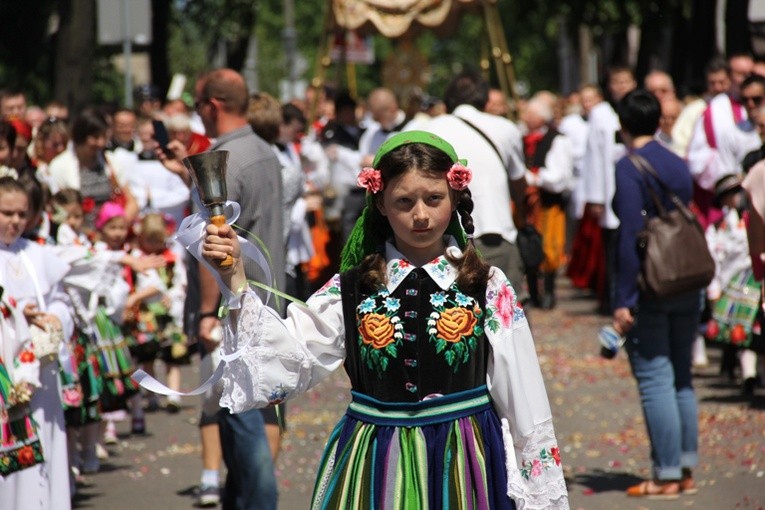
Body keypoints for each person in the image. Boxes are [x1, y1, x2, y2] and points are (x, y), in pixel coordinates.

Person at [200, 130, 569, 509]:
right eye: (404, 201)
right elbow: (289, 355)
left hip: (464, 460)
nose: (421, 214)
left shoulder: (485, 284)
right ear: (380, 204)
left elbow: (524, 398)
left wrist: (540, 493)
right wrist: (236, 280)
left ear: (456, 196)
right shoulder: (352, 287)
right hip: (376, 461)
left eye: (434, 198)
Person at [194, 68, 284, 510]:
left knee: (247, 428)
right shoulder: (264, 150)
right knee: (243, 423)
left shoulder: (223, 160)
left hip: (236, 309)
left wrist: (207, 314)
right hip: (269, 301)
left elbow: (213, 247)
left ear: (213, 105)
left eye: (198, 107)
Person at [611, 90, 699, 498]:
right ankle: (684, 468)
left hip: (651, 282)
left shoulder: (629, 167)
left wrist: (623, 299)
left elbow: (631, 234)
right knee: (682, 376)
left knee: (654, 378)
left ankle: (665, 476)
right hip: (687, 274)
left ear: (624, 123)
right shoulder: (678, 162)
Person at [421, 70, 530, 302]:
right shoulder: (505, 128)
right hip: (496, 234)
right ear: (484, 99)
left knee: (448, 322)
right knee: (504, 317)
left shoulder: (425, 130)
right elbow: (520, 186)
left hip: (439, 239)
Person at [0, 176, 73, 509]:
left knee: (47, 446)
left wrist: (55, 316)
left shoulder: (38, 253)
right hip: (6, 377)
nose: (16, 221)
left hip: (41, 375)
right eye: (6, 213)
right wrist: (14, 313)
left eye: (22, 214)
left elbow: (61, 299)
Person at [520, 97, 574, 309]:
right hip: (528, 205)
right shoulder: (521, 137)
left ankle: (549, 292)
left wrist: (534, 178)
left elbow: (560, 177)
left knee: (550, 248)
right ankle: (533, 292)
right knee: (528, 244)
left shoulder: (558, 140)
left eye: (529, 114)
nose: (525, 118)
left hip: (548, 204)